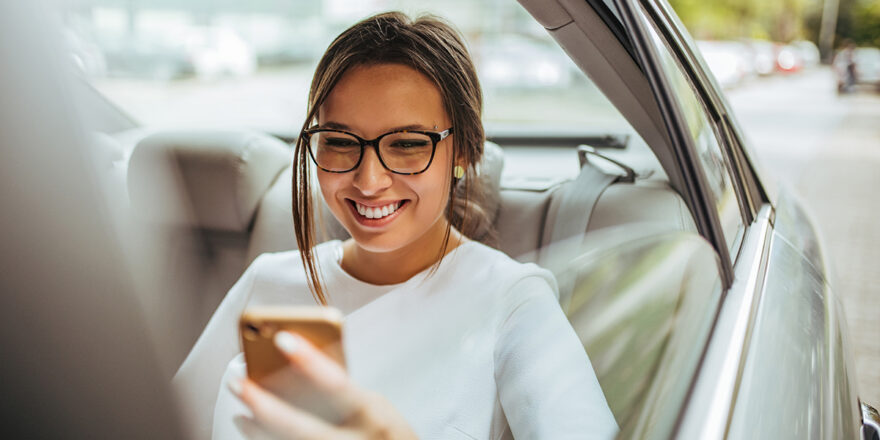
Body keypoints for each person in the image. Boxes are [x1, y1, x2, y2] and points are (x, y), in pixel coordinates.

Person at [174, 11, 618, 440]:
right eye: (341, 142)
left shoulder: (512, 303)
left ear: (462, 151)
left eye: (407, 143)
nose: (369, 181)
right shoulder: (266, 285)